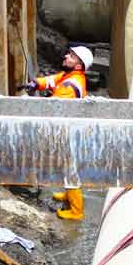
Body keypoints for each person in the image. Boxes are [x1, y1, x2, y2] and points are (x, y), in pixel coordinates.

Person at [28, 46, 94, 221]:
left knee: (69, 170)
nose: (66, 56)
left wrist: (30, 105)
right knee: (68, 168)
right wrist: (37, 83)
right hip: (68, 129)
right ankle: (69, 196)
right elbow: (53, 80)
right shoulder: (70, 76)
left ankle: (76, 211)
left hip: (67, 132)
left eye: (71, 56)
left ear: (79, 65)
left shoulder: (71, 85)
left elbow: (53, 107)